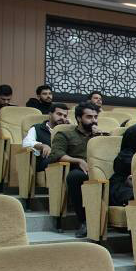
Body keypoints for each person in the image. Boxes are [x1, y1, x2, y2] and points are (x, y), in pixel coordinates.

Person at [50, 102, 105, 238]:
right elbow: (56, 154)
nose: (93, 120)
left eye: (95, 117)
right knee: (75, 177)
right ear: (79, 118)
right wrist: (78, 161)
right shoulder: (65, 134)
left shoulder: (101, 136)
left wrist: (100, 138)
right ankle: (84, 221)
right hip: (79, 169)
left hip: (101, 169)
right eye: (89, 117)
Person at [22, 102, 68, 172]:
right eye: (59, 114)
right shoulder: (37, 128)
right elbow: (26, 143)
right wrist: (42, 146)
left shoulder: (67, 131)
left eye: (65, 116)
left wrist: (71, 127)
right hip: (45, 163)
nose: (62, 118)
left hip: (66, 161)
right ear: (50, 114)